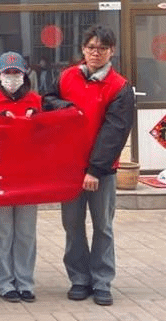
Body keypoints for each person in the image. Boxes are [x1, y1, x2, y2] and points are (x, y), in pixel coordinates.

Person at [42, 25, 134, 307]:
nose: (96, 53)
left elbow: (115, 132)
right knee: (73, 226)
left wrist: (95, 169)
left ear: (112, 51)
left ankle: (102, 281)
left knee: (103, 226)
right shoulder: (67, 77)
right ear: (83, 49)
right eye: (91, 47)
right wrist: (64, 107)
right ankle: (79, 279)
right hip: (70, 168)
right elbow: (47, 101)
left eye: (102, 48)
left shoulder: (119, 86)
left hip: (101, 172)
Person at [0, 52, 42, 303]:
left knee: (26, 233)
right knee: (2, 233)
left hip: (28, 176)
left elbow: (49, 136)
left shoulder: (37, 101)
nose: (12, 77)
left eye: (17, 73)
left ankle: (25, 282)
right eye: (8, 73)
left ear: (25, 74)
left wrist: (36, 122)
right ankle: (5, 283)